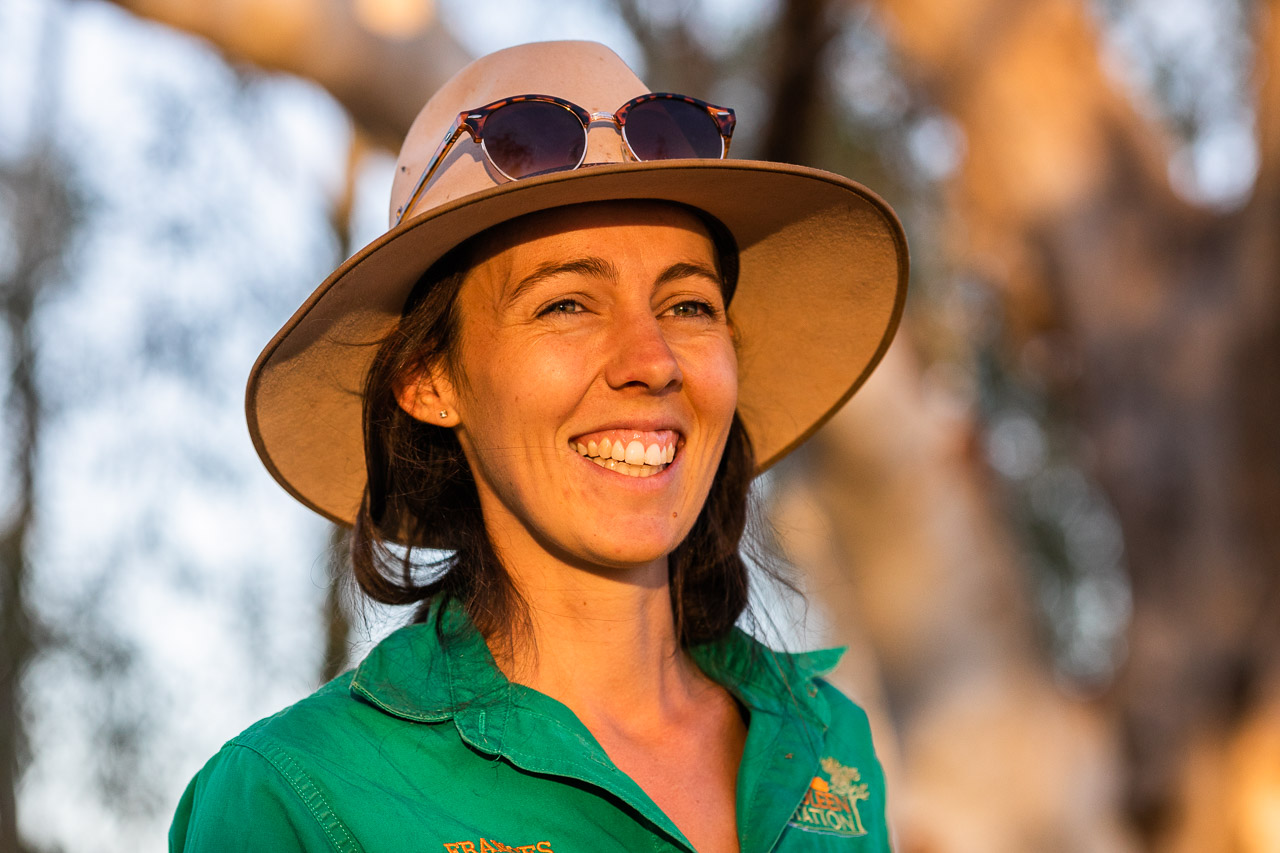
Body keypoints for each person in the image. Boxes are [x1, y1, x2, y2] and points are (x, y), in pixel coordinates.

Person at [170, 40, 907, 853]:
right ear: (430, 379)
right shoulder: (293, 796)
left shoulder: (826, 743)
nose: (652, 361)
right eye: (566, 305)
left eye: (690, 305)